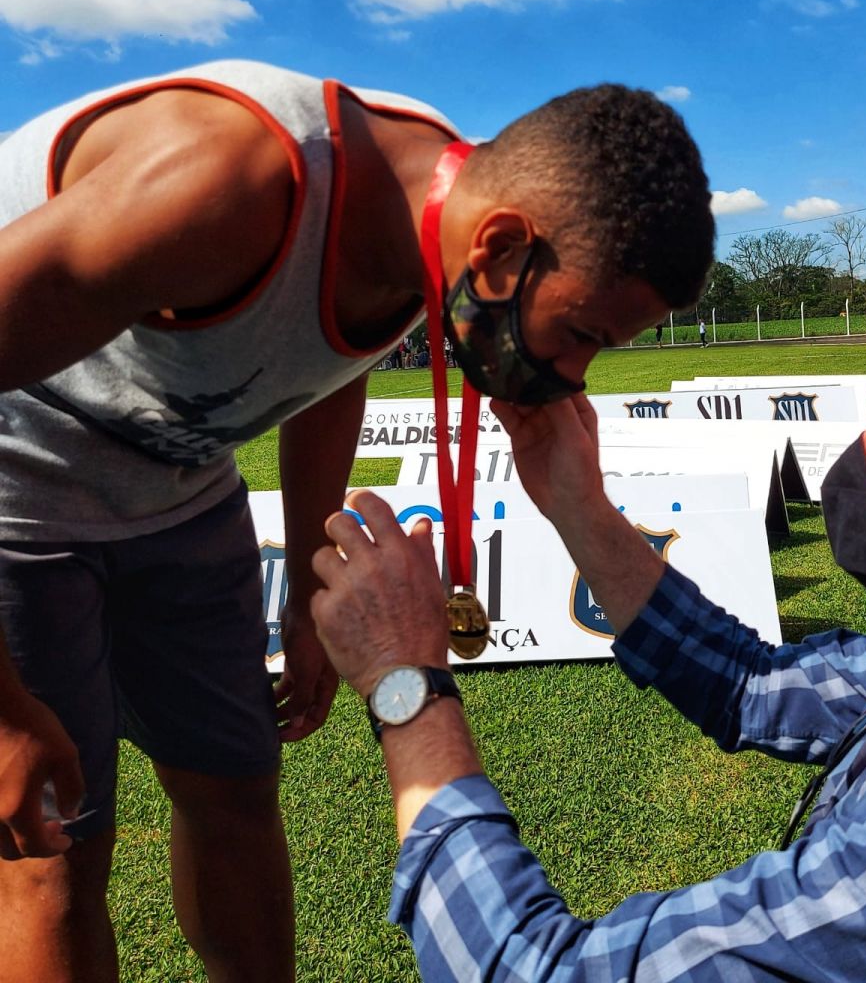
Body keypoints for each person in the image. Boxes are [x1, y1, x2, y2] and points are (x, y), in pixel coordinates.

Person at [0, 60, 713, 983]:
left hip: (183, 492)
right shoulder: (223, 179)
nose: (572, 375)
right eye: (581, 335)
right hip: (18, 492)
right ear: (500, 247)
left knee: (237, 793)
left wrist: (307, 588)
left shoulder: (431, 217)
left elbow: (325, 367)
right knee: (52, 849)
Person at [311, 243, 866, 982]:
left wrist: (406, 685)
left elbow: (528, 971)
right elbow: (755, 687)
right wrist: (578, 505)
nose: (855, 461)